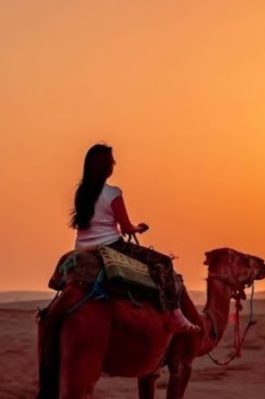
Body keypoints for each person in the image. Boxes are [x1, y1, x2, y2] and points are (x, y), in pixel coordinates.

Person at [70, 143, 199, 333]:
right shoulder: (113, 193)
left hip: (81, 248)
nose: (114, 163)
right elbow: (126, 227)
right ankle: (175, 315)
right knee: (164, 263)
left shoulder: (81, 192)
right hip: (111, 246)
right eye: (112, 161)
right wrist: (138, 228)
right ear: (106, 166)